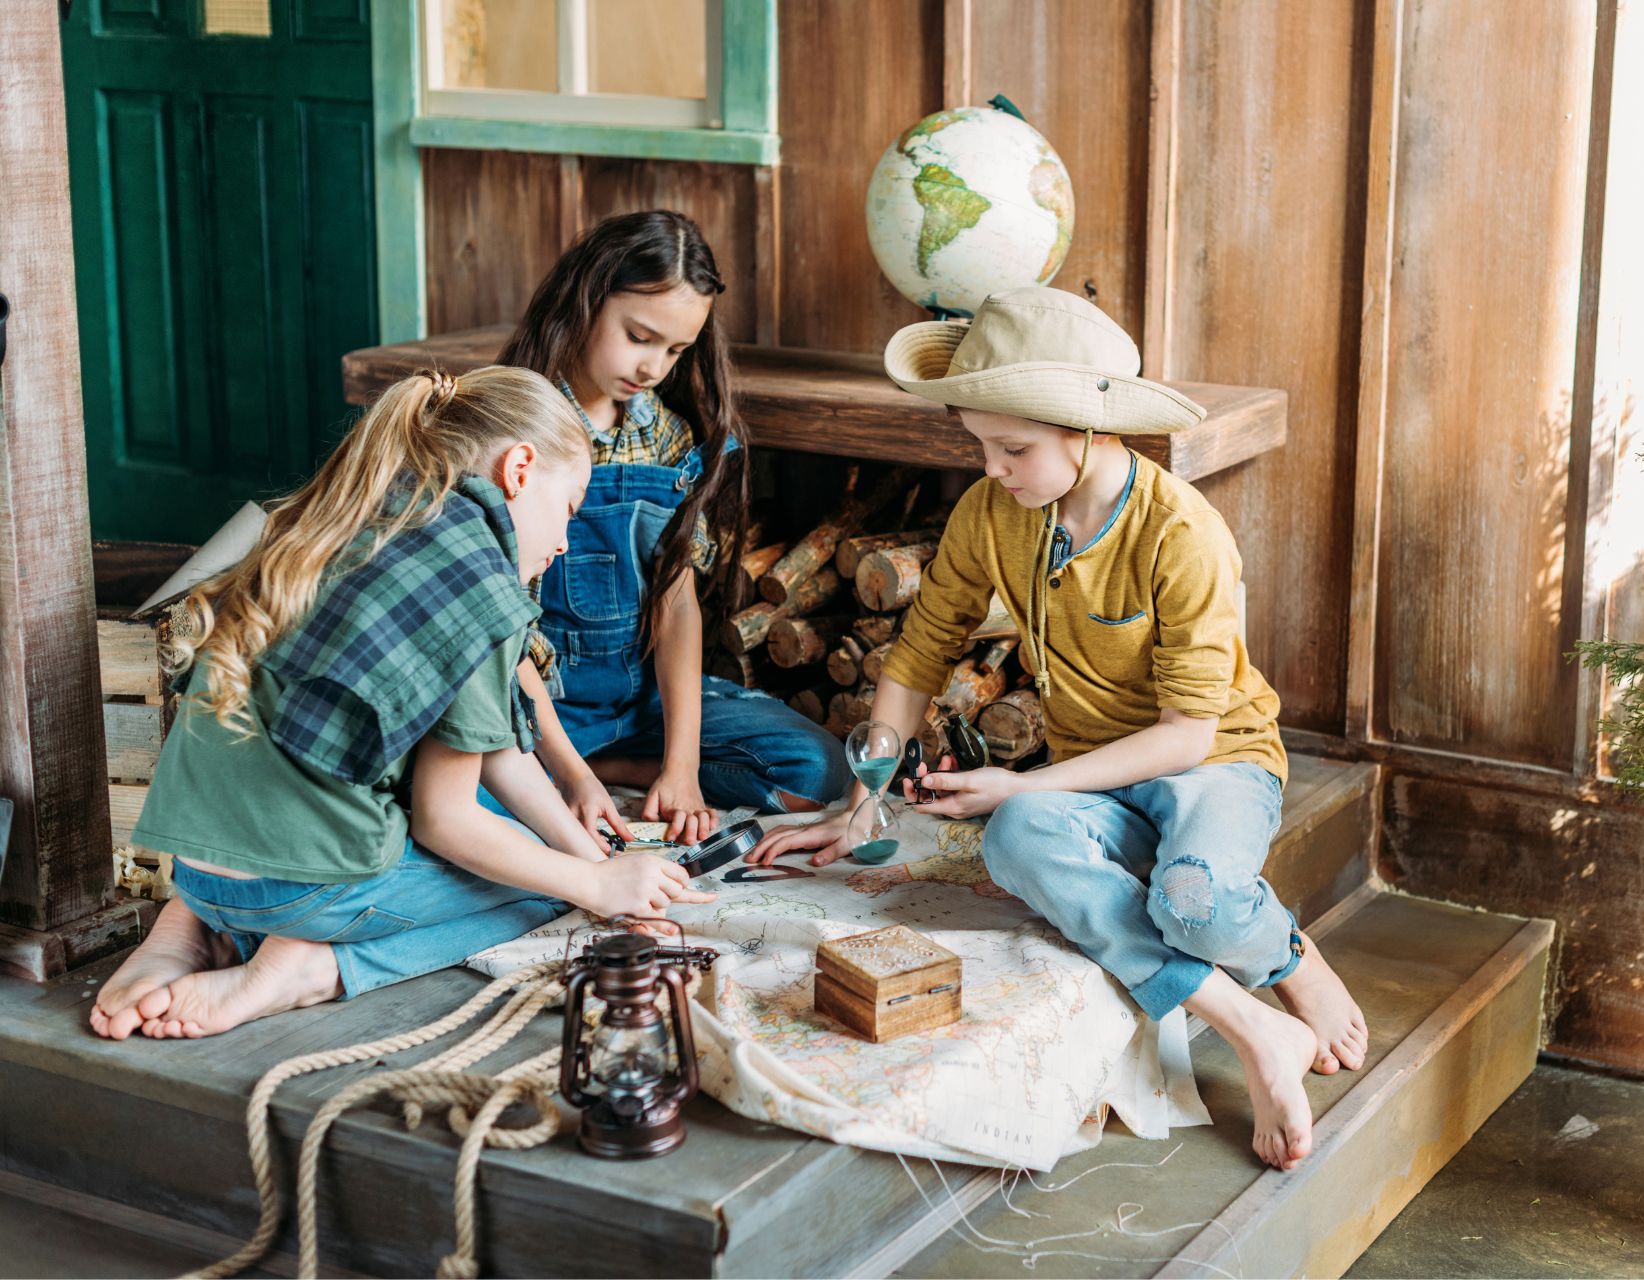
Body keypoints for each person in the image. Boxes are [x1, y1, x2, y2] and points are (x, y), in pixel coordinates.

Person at [749, 287, 1367, 1170]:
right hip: (1093, 778)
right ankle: (1253, 1029)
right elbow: (920, 656)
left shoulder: (1183, 533)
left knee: (1191, 899)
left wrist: (1024, 779)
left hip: (1214, 764)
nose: (994, 469)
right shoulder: (990, 514)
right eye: (981, 446)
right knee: (1017, 838)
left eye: (1014, 449)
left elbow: (1189, 737)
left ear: (1090, 431)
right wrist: (862, 800)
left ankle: (1288, 957)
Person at [90, 367, 714, 1041]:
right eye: (568, 510)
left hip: (198, 862)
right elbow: (446, 823)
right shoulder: (478, 580)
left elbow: (499, 751)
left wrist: (604, 868)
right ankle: (310, 970)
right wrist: (590, 888)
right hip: (298, 893)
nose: (564, 543)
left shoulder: (357, 514)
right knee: (543, 885)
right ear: (520, 469)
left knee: (547, 849)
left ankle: (190, 928)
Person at [498, 211, 850, 847]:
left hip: (637, 708)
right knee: (446, 799)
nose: (654, 366)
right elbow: (498, 631)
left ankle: (619, 767)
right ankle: (574, 772)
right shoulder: (512, 425)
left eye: (676, 349)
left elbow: (675, 599)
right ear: (585, 300)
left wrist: (681, 768)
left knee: (818, 770)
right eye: (639, 336)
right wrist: (569, 774)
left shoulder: (666, 434)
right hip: (527, 706)